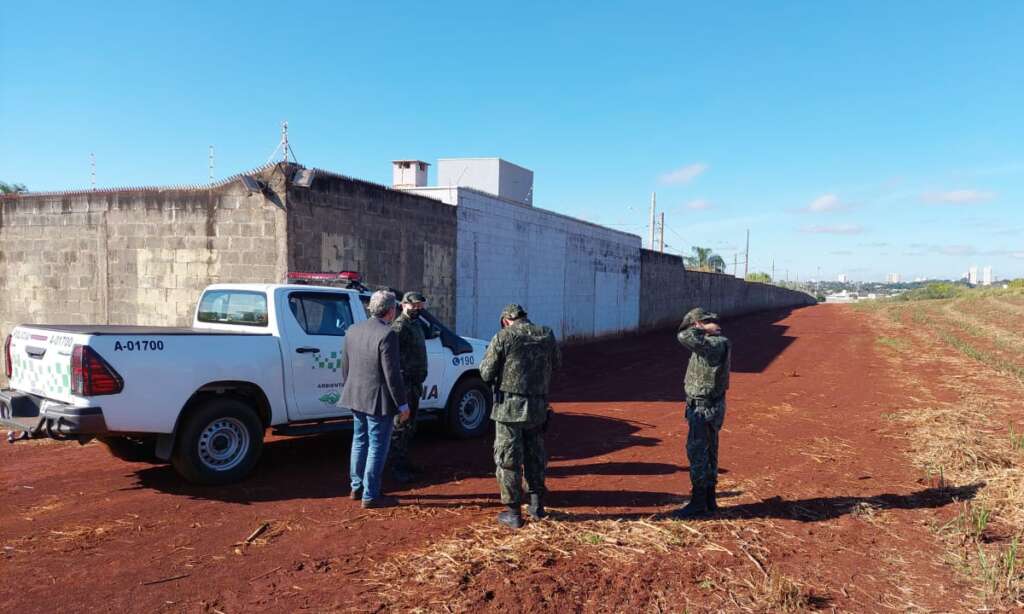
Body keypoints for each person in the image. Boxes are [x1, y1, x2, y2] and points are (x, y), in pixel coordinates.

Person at [480, 304, 561, 529]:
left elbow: (486, 373)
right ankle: (537, 507)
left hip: (509, 408)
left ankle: (513, 513)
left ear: (506, 320)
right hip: (537, 406)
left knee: (508, 459)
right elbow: (557, 363)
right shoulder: (546, 334)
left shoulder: (503, 337)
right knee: (535, 455)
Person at [339, 290, 411, 509]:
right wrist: (403, 404)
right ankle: (370, 495)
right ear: (390, 311)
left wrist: (350, 388)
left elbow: (345, 366)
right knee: (377, 446)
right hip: (377, 400)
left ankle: (356, 487)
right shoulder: (387, 335)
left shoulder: (352, 330)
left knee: (359, 441)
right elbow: (392, 375)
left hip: (355, 395)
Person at [673, 307, 731, 519]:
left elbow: (683, 335)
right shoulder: (714, 343)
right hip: (708, 405)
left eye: (695, 324)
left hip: (703, 407)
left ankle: (699, 502)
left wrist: (701, 327)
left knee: (698, 453)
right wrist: (704, 327)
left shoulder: (714, 343)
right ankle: (708, 499)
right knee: (709, 452)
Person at [389, 291, 430, 483]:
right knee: (400, 426)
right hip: (405, 383)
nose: (417, 309)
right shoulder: (399, 327)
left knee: (410, 426)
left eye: (420, 306)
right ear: (403, 305)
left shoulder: (416, 324)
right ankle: (396, 468)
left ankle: (404, 462)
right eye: (414, 306)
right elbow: (392, 359)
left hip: (415, 382)